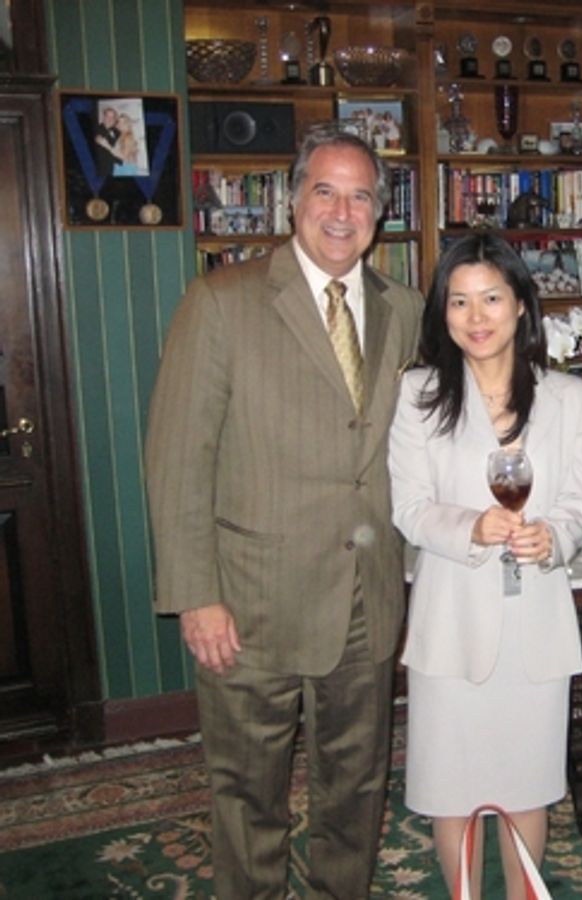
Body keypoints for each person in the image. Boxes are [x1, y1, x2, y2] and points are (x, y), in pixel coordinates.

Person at [144, 125, 423, 898]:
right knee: (247, 795)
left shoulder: (406, 309)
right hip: (249, 602)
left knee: (357, 787)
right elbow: (177, 461)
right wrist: (196, 595)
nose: (342, 211)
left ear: (381, 211)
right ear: (293, 200)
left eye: (361, 195)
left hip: (367, 594)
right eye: (324, 191)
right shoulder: (221, 301)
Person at [389, 232, 582, 899]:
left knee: (526, 788)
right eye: (458, 302)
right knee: (451, 791)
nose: (475, 317)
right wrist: (472, 528)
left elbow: (577, 505)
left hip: (534, 620)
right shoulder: (418, 395)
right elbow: (410, 508)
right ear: (441, 313)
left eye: (490, 298)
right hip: (451, 619)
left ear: (521, 307)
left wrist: (554, 539)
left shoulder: (572, 398)